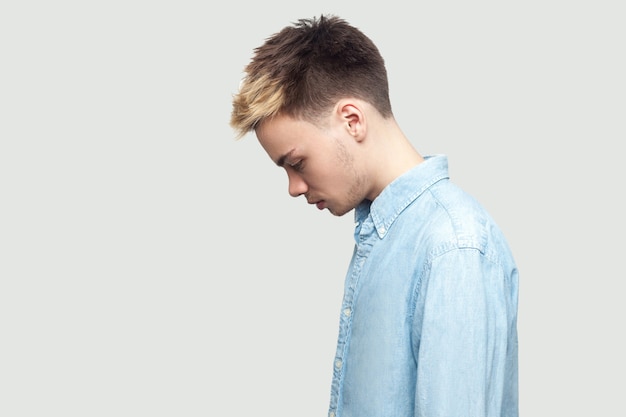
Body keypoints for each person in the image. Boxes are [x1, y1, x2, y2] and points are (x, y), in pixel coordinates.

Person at [230, 15, 519, 417]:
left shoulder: (452, 245)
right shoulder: (387, 236)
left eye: (296, 162)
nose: (294, 187)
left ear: (352, 120)